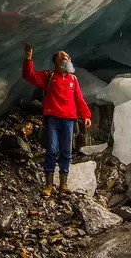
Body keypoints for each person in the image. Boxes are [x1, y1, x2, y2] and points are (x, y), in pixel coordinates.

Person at [22, 43, 92, 197]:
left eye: (67, 56)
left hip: (69, 119)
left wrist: (86, 115)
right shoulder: (49, 76)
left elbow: (79, 99)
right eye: (63, 56)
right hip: (52, 117)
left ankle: (63, 184)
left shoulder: (73, 79)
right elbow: (29, 76)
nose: (67, 58)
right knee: (52, 150)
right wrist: (28, 58)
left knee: (66, 152)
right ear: (56, 61)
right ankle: (48, 184)